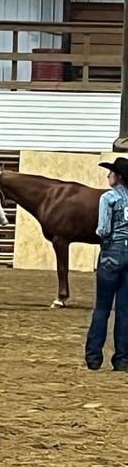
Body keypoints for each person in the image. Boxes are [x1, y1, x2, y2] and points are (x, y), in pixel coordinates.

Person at [84, 157, 128, 372]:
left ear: (118, 177)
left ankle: (94, 356)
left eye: (111, 172)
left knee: (102, 307)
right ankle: (122, 358)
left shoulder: (108, 198)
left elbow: (103, 230)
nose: (108, 175)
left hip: (112, 252)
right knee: (124, 309)